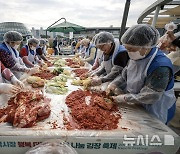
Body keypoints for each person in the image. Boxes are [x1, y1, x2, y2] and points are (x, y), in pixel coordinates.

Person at [106, 24, 176, 124]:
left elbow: (151, 96)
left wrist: (123, 98)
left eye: (132, 49)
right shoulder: (136, 57)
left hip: (156, 108)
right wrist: (113, 84)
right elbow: (124, 75)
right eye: (127, 49)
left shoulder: (160, 65)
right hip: (136, 102)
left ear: (146, 46)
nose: (129, 52)